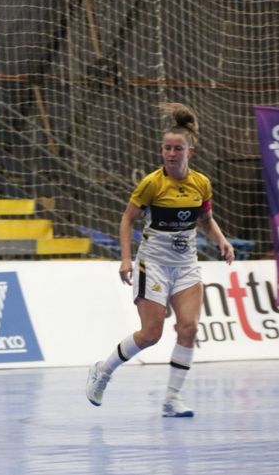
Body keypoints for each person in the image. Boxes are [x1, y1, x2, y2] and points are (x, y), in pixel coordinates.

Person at [85, 103, 235, 417]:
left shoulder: (201, 183)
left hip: (186, 266)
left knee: (189, 328)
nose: (170, 153)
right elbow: (127, 220)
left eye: (176, 148)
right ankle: (103, 369)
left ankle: (171, 399)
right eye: (166, 148)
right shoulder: (152, 183)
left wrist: (222, 242)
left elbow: (205, 220)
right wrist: (125, 259)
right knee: (151, 334)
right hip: (152, 264)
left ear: (189, 152)